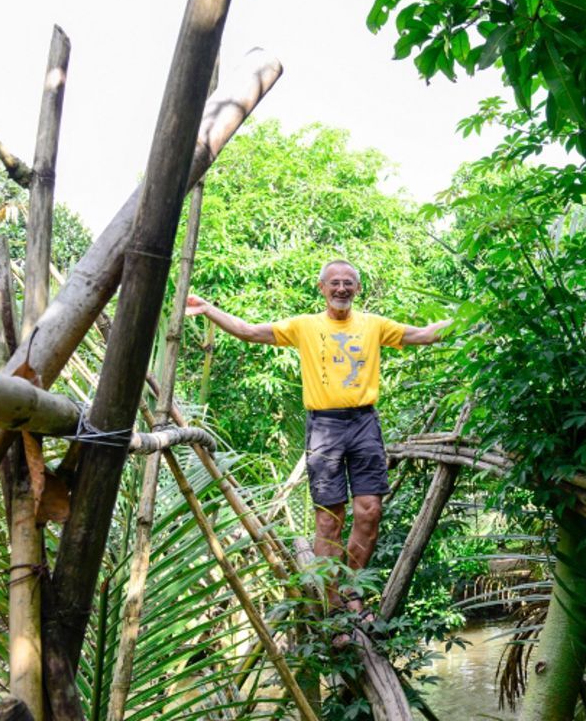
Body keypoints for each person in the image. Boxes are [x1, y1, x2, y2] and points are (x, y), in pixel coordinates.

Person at [186, 259, 449, 637]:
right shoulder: (304, 326)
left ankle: (352, 592)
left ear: (357, 289)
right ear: (322, 288)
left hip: (364, 423)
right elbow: (248, 331)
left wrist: (476, 320)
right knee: (329, 518)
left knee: (369, 511)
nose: (341, 289)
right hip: (324, 425)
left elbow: (425, 334)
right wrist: (208, 309)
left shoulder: (374, 325)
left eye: (348, 283)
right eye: (335, 283)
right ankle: (335, 607)